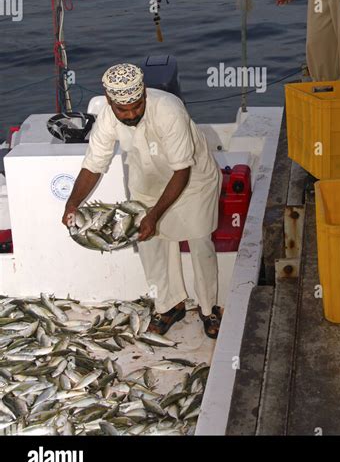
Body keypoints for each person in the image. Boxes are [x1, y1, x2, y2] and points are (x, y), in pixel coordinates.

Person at [62, 63, 223, 339]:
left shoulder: (170, 111)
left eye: (136, 106)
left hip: (193, 181)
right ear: (110, 101)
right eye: (122, 109)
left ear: (145, 95)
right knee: (153, 250)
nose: (131, 114)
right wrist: (72, 204)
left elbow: (182, 171)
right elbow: (93, 165)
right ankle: (169, 306)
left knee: (200, 243)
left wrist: (154, 215)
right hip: (146, 184)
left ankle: (209, 309)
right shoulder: (107, 118)